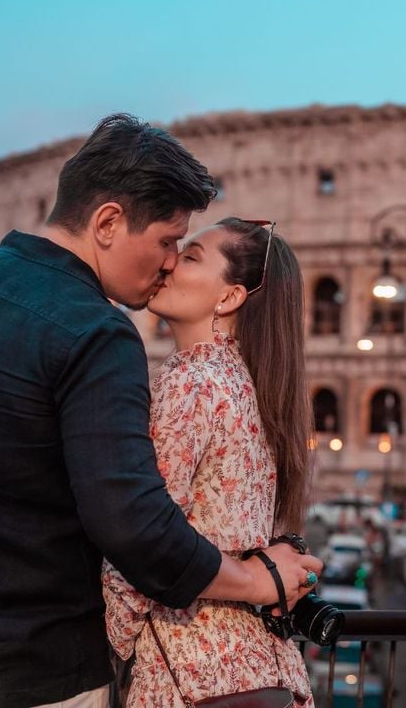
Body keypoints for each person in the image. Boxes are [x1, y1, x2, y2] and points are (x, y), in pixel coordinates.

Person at [0, 115, 321, 708]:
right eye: (169, 242)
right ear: (109, 223)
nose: (168, 262)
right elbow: (134, 526)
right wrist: (255, 579)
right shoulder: (96, 330)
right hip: (34, 676)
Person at [103, 218, 316, 706]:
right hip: (264, 667)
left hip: (188, 667)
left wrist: (111, 643)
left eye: (193, 256)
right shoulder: (253, 384)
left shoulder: (192, 382)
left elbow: (144, 535)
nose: (172, 261)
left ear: (229, 297)